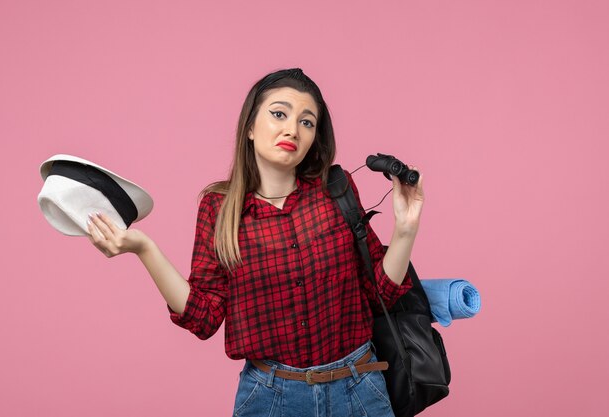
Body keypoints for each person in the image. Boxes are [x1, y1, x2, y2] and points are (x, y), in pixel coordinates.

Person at [86, 68, 425, 416]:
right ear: (250, 127)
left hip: (359, 391)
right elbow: (203, 318)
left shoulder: (335, 192)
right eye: (279, 113)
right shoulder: (218, 209)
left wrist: (405, 229)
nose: (292, 129)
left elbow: (379, 293)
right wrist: (145, 248)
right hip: (271, 398)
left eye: (307, 122)